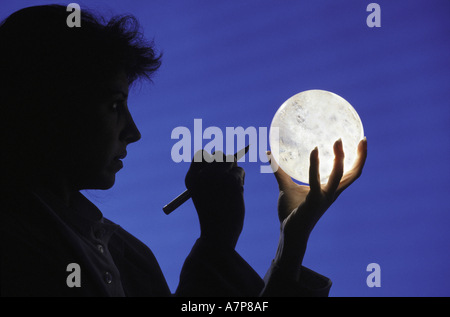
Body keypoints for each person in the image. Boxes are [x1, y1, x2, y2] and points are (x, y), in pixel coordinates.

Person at [0, 4, 367, 297]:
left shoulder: (130, 256)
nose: (134, 132)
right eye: (114, 105)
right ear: (44, 105)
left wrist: (292, 238)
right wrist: (216, 243)